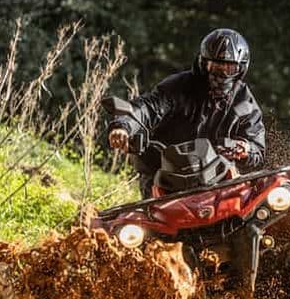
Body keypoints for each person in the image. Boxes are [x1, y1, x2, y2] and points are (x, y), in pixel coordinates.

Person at [108, 28, 266, 198]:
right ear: (203, 63)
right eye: (215, 66)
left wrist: (246, 149)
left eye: (229, 68)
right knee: (148, 212)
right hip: (165, 175)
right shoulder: (178, 87)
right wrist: (123, 126)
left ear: (241, 68)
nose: (221, 74)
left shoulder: (245, 102)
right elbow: (147, 107)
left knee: (249, 207)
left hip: (217, 180)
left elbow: (256, 147)